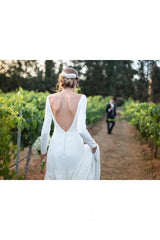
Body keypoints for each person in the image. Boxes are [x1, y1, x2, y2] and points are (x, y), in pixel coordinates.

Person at [40, 67, 100, 180]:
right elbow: (81, 129)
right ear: (76, 81)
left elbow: (45, 131)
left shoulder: (50, 98)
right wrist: (93, 145)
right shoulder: (82, 98)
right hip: (75, 149)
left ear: (61, 80)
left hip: (55, 150)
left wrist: (43, 152)